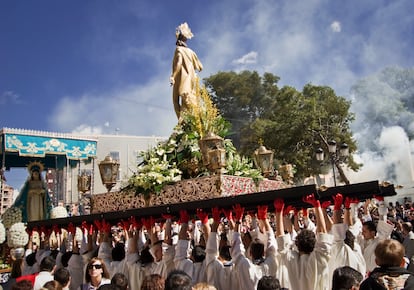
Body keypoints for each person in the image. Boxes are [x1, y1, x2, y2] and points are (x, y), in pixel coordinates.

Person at [170, 22, 203, 119]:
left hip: (182, 80)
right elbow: (200, 67)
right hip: (192, 80)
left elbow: (179, 63)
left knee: (176, 101)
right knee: (190, 102)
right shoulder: (191, 52)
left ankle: (182, 123)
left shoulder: (179, 50)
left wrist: (173, 76)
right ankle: (189, 122)